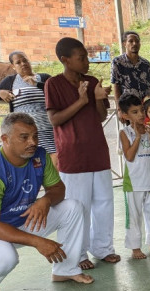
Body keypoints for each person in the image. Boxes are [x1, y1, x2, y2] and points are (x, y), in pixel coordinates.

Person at [0, 113, 92, 291]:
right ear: (5, 139)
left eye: (35, 136)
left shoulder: (40, 156)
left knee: (73, 207)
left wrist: (45, 200)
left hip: (21, 218)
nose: (32, 142)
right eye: (24, 137)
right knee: (5, 258)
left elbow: (59, 189)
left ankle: (65, 270)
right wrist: (38, 242)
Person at [45, 37, 121, 269]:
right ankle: (77, 254)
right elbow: (55, 119)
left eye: (86, 57)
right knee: (78, 207)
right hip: (73, 156)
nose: (87, 62)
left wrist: (99, 99)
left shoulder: (90, 81)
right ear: (65, 60)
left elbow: (99, 117)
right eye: (82, 58)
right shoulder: (53, 84)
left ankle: (103, 248)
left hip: (97, 152)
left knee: (104, 203)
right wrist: (81, 100)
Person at [117, 94, 150, 259]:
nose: (140, 114)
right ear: (125, 116)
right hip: (134, 182)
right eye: (135, 112)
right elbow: (130, 156)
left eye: (141, 110)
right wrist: (139, 137)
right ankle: (135, 248)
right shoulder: (124, 133)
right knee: (134, 216)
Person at [0, 51, 57, 166]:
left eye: (25, 60)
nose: (23, 64)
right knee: (34, 169)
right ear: (13, 67)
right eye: (18, 62)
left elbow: (57, 91)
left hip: (49, 131)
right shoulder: (11, 81)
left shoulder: (44, 78)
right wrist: (0, 92)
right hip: (26, 135)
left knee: (55, 167)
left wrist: (37, 84)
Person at [111, 31, 150, 99]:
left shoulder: (147, 64)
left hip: (145, 106)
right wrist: (119, 107)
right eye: (131, 41)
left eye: (137, 41)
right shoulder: (118, 62)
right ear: (124, 44)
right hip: (128, 106)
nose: (134, 43)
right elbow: (116, 86)